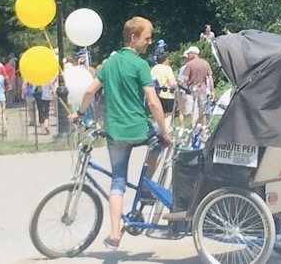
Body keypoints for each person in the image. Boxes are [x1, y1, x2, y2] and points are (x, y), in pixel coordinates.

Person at [68, 16, 172, 250]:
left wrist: (79, 112)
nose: (149, 42)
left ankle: (114, 234)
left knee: (117, 181)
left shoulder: (109, 65)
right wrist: (165, 132)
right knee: (161, 141)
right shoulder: (140, 65)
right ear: (133, 37)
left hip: (115, 132)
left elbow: (89, 90)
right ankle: (146, 187)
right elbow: (154, 103)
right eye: (147, 38)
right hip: (139, 129)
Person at [179, 46, 215, 126]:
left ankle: (194, 129)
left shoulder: (189, 64)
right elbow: (210, 77)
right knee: (203, 110)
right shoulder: (205, 63)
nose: (188, 56)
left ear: (193, 54)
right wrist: (212, 90)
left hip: (192, 90)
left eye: (189, 54)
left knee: (194, 110)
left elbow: (185, 78)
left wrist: (179, 85)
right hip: (203, 89)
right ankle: (204, 128)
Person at [150, 52, 178, 130]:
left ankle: (157, 129)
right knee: (169, 115)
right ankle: (164, 131)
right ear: (165, 59)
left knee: (159, 114)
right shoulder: (167, 68)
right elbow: (171, 83)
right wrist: (177, 87)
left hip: (156, 94)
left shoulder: (154, 68)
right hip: (167, 94)